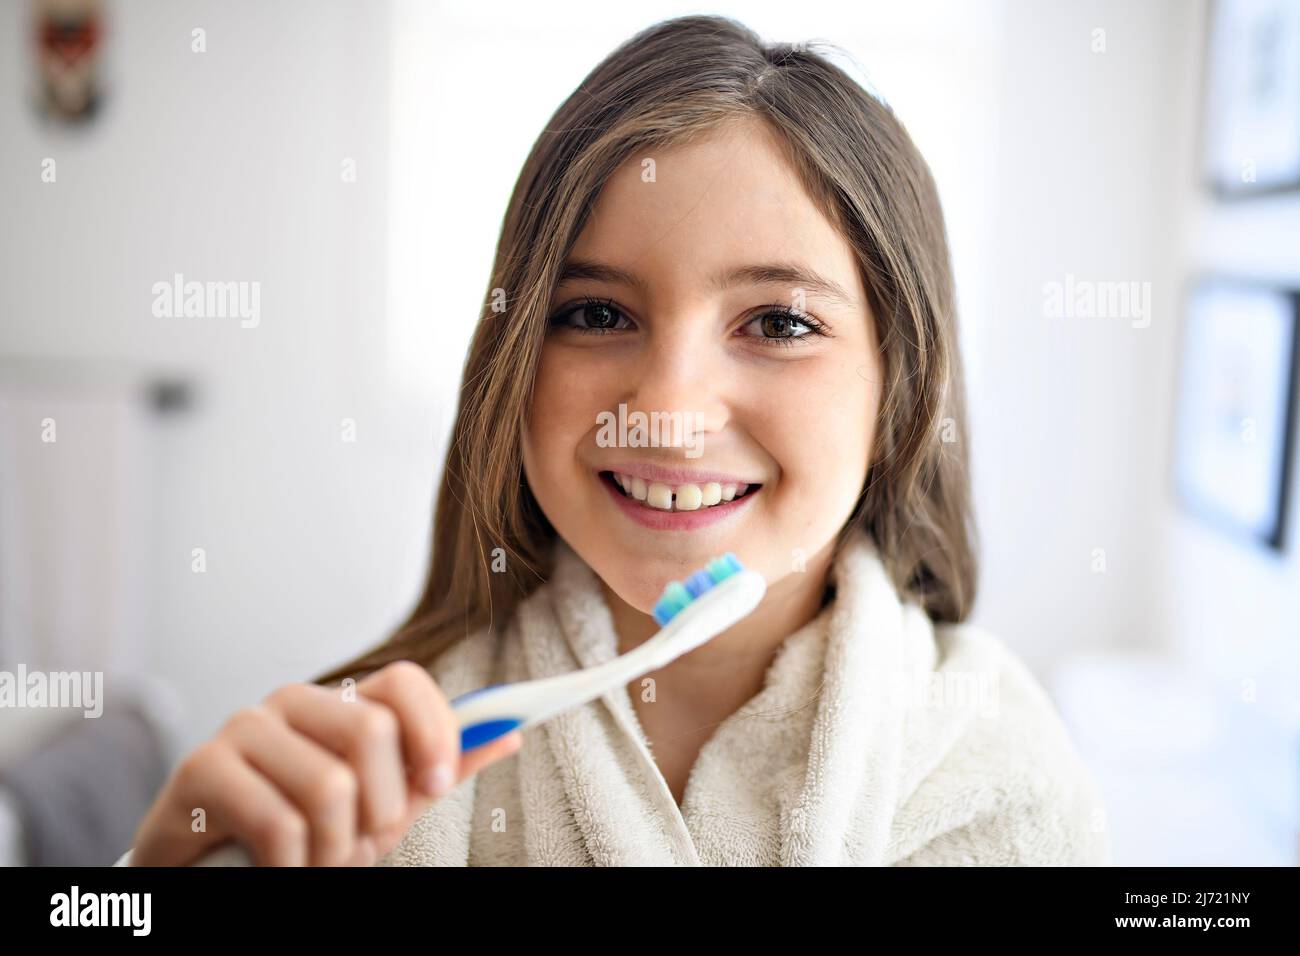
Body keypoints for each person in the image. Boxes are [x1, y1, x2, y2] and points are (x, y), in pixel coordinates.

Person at [118, 14, 1111, 867]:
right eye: (594, 315)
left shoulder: (997, 773)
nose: (668, 409)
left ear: (899, 386)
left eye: (776, 323)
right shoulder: (358, 786)